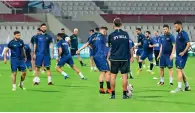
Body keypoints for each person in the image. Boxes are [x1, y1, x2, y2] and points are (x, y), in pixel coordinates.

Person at [76, 27, 111, 94]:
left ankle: (101, 88)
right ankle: (109, 89)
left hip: (96, 56)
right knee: (107, 72)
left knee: (102, 72)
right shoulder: (103, 37)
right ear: (102, 30)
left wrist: (79, 50)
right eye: (105, 31)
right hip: (101, 56)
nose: (105, 33)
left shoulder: (93, 36)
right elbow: (107, 45)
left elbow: (87, 44)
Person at [108, 18, 133, 99]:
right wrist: (132, 56)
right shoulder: (126, 34)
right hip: (124, 58)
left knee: (113, 77)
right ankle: (124, 95)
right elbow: (128, 46)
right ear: (121, 24)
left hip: (114, 58)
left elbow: (109, 46)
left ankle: (113, 95)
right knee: (124, 77)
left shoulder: (111, 35)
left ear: (113, 24)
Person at [171, 21, 191, 93]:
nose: (175, 28)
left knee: (178, 70)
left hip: (182, 55)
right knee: (180, 70)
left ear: (180, 26)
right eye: (174, 27)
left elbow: (188, 44)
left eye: (176, 27)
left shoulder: (184, 33)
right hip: (178, 55)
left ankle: (179, 87)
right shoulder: (178, 34)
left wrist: (183, 52)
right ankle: (187, 86)